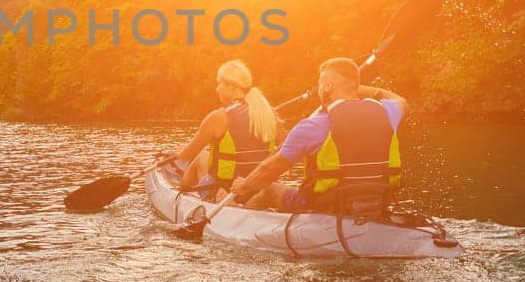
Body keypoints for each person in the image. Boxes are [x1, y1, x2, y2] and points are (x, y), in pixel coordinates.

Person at [232, 56, 406, 215]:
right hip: (377, 201)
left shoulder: (311, 127)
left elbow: (268, 171)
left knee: (270, 190)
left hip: (326, 205)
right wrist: (358, 88)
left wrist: (244, 186)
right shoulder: (386, 113)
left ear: (328, 86)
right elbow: (401, 101)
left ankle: (238, 222)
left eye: (321, 83)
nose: (318, 89)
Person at [165, 59, 286, 207]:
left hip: (226, 191)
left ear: (231, 86)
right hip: (259, 190)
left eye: (219, 84)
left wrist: (175, 154)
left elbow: (187, 155)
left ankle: (179, 194)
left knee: (201, 157)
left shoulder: (218, 117)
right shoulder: (269, 115)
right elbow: (285, 152)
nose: (217, 89)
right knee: (205, 157)